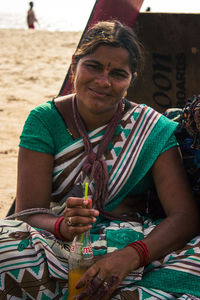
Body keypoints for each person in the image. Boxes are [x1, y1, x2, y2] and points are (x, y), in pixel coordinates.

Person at [1, 20, 200, 299]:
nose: (103, 81)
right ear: (74, 66)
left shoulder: (150, 129)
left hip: (137, 245)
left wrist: (130, 256)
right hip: (60, 246)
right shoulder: (44, 121)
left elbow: (185, 217)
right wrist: (63, 226)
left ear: (131, 80)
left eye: (118, 73)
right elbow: (28, 213)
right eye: (93, 66)